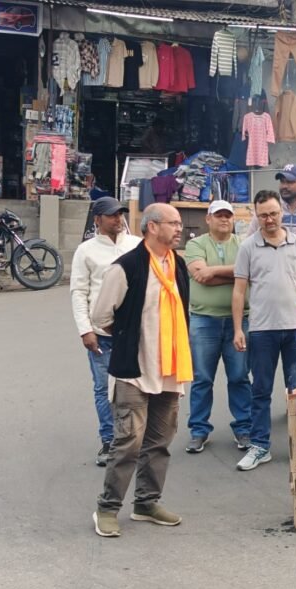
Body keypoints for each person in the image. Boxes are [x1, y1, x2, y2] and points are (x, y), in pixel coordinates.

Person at [90, 204, 192, 538]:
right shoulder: (127, 266)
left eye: (179, 223)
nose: (179, 228)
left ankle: (147, 503)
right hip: (134, 369)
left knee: (160, 441)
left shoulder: (177, 264)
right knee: (128, 443)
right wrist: (127, 336)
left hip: (170, 369)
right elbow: (101, 316)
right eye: (173, 223)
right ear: (152, 227)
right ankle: (107, 508)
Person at [231, 190, 296, 471]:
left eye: (273, 213)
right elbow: (239, 290)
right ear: (256, 217)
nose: (269, 219)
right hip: (262, 330)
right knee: (260, 391)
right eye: (263, 215)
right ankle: (260, 446)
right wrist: (238, 328)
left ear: (281, 212)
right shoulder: (248, 247)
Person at [70, 197, 142, 466]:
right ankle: (109, 441)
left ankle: (134, 440)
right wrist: (85, 330)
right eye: (111, 215)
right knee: (104, 389)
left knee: (137, 387)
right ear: (97, 219)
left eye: (120, 214)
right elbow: (79, 292)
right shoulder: (86, 251)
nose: (118, 219)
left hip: (133, 332)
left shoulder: (136, 245)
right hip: (101, 334)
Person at [183, 200, 252, 454]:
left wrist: (214, 272)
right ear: (208, 219)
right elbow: (200, 276)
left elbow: (250, 272)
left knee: (240, 377)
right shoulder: (195, 244)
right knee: (202, 378)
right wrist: (237, 275)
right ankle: (199, 430)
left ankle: (243, 428)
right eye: (219, 215)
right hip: (204, 320)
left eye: (228, 216)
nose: (224, 219)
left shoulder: (244, 245)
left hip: (239, 321)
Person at [246, 163, 296, 236]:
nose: (284, 186)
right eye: (282, 181)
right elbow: (249, 240)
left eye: (290, 182)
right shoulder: (265, 212)